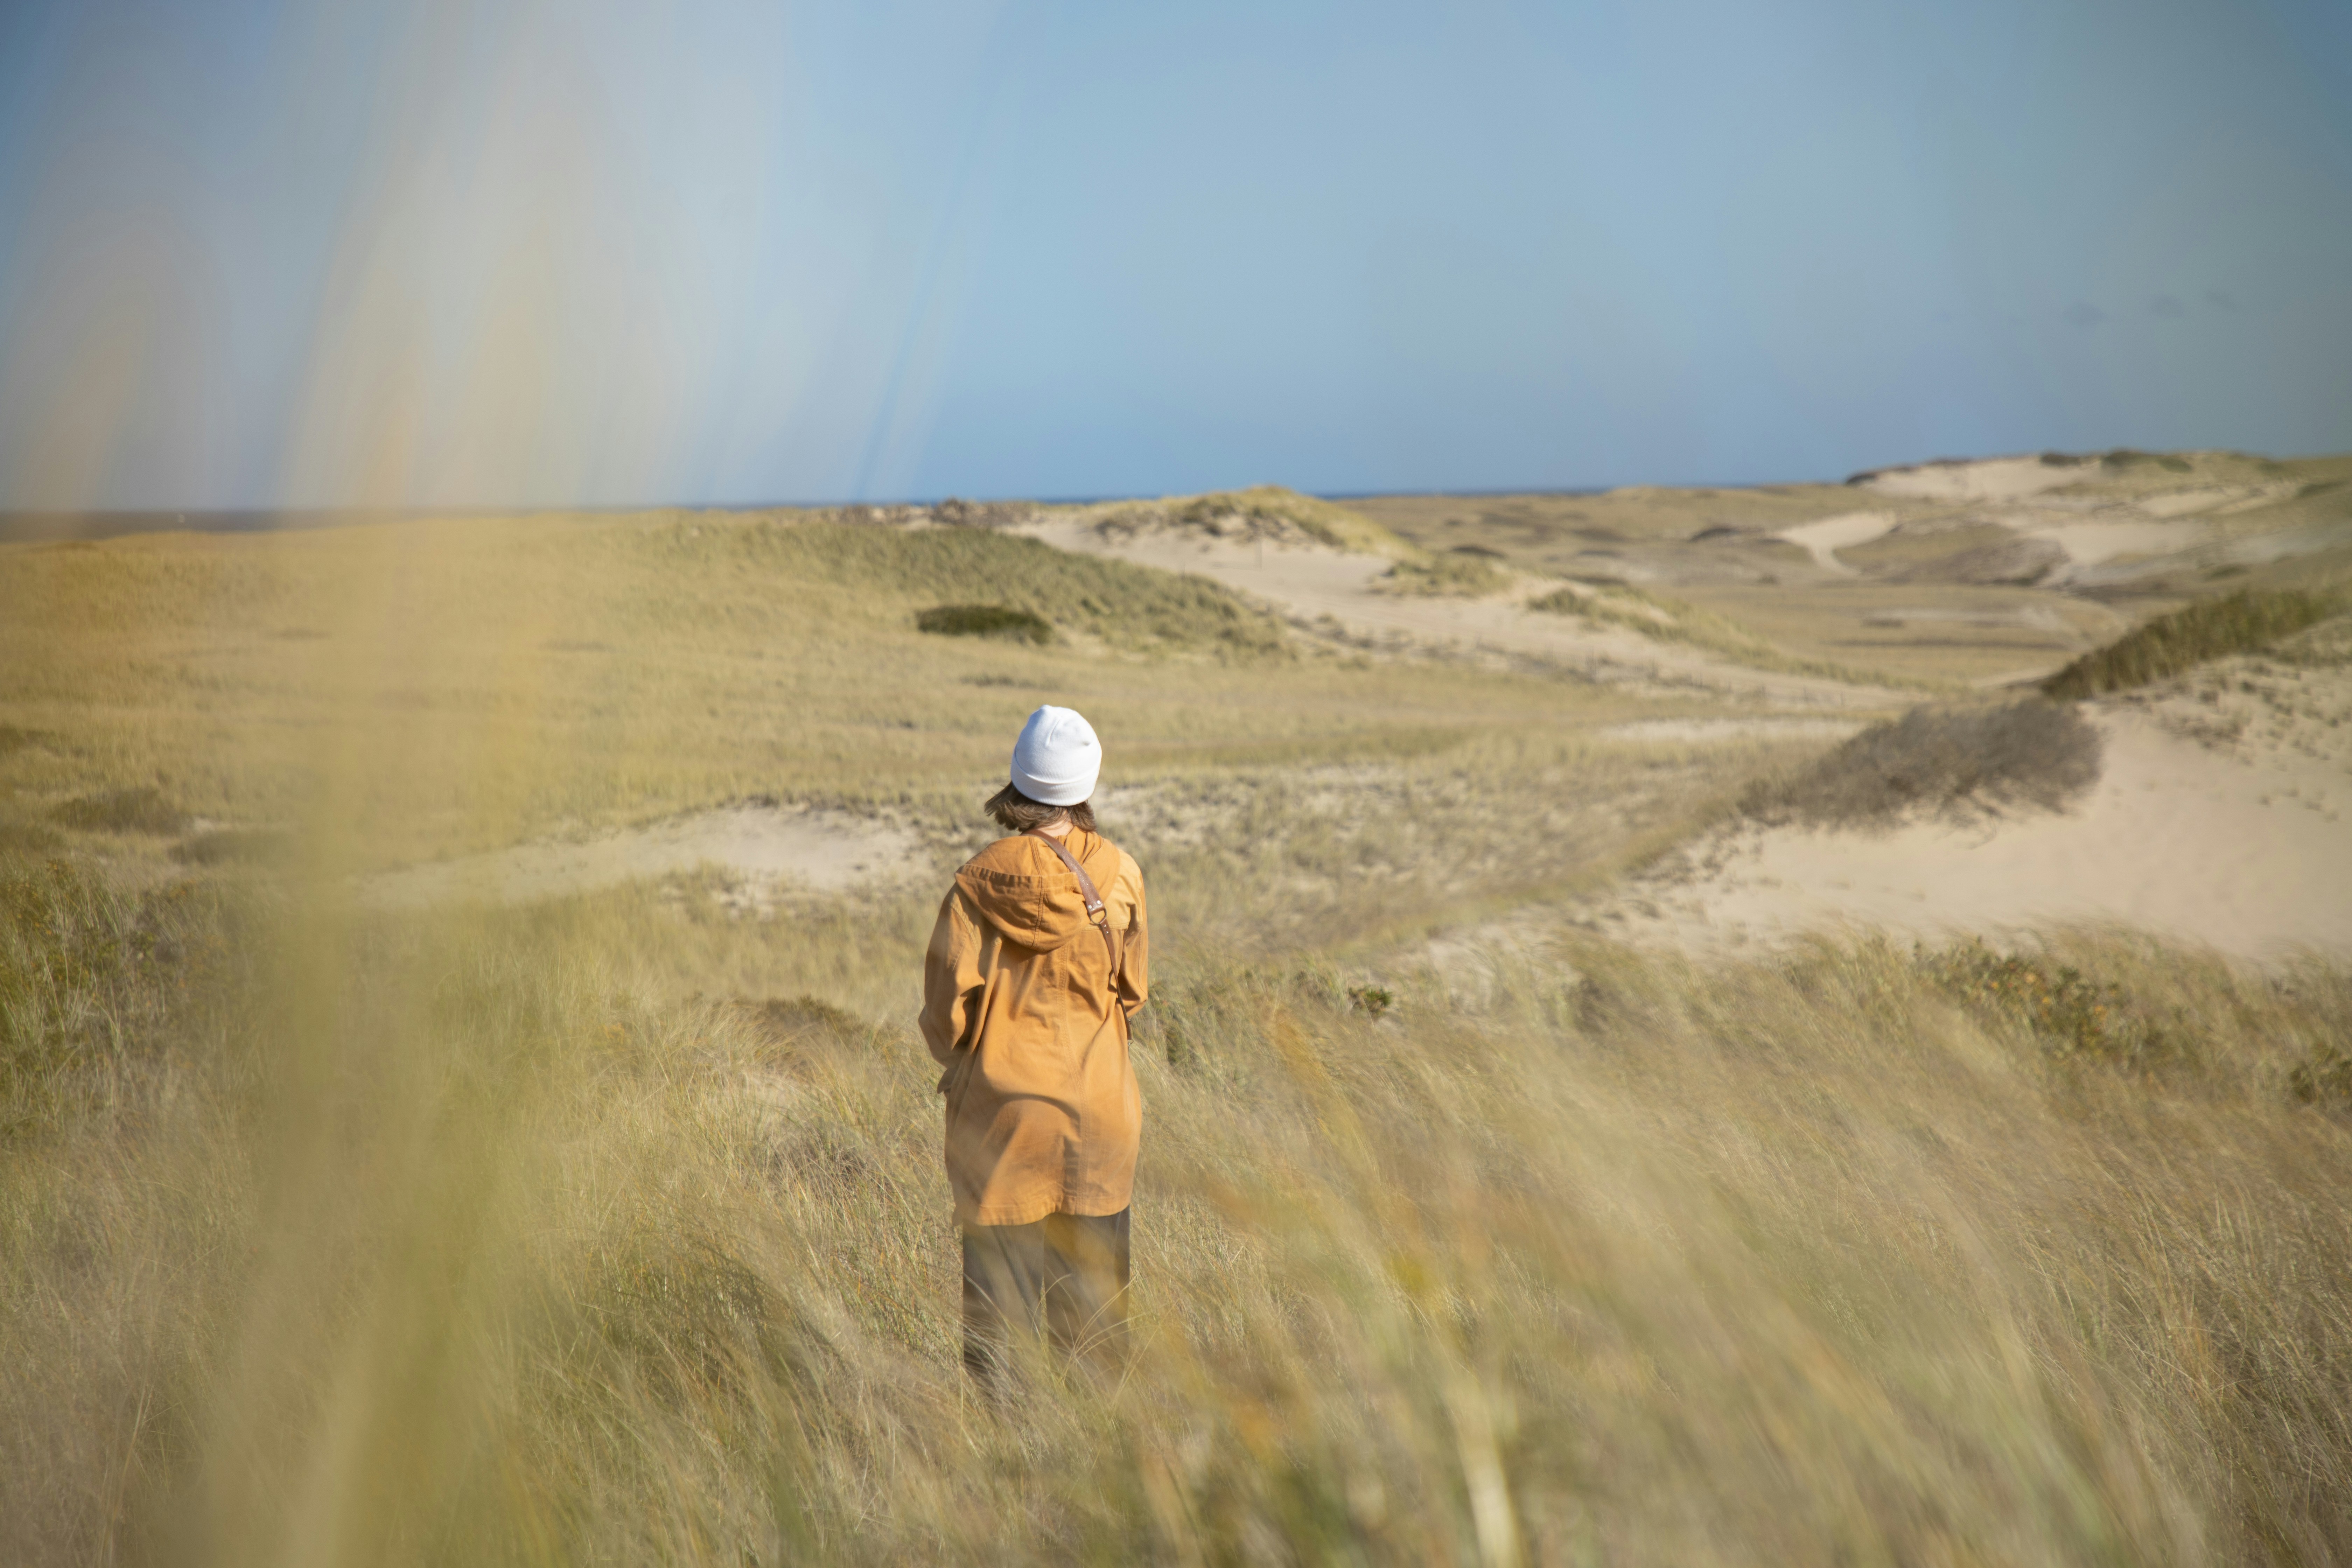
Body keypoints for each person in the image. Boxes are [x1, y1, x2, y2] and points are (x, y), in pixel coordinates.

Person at [920, 705, 1148, 1387]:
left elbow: (945, 1021)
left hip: (1001, 1126)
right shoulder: (1122, 875)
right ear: (1086, 783)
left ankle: (1007, 1452)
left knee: (999, 1344)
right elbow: (1133, 993)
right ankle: (1098, 1450)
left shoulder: (973, 885)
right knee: (1095, 1338)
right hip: (1099, 1119)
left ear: (1018, 781)